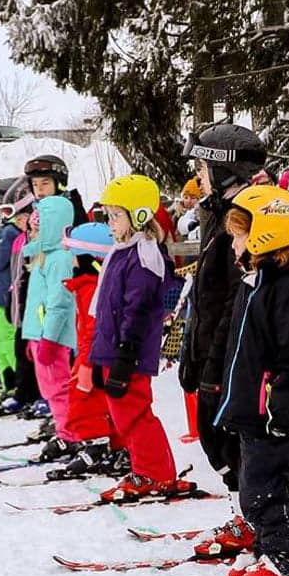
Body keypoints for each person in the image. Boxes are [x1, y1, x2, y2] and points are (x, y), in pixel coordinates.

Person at [208, 183, 289, 576]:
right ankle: (281, 549)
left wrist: (281, 405)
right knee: (256, 487)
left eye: (240, 235)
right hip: (254, 409)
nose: (234, 243)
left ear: (263, 233)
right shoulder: (257, 280)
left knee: (264, 490)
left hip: (275, 411)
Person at [179, 123, 270, 499]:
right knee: (217, 443)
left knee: (236, 445)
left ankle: (265, 525)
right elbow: (208, 296)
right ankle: (244, 516)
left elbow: (236, 300)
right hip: (213, 354)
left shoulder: (243, 219)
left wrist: (214, 365)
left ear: (223, 169)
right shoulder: (216, 215)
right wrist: (192, 354)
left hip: (234, 359)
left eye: (201, 169)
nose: (197, 178)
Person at [92, 173, 193, 502]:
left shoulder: (145, 258)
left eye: (116, 215)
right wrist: (100, 354)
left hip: (130, 351)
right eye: (108, 215)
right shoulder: (122, 252)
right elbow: (108, 308)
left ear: (137, 216)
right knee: (125, 414)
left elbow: (137, 311)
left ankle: (154, 474)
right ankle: (151, 469)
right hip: (113, 349)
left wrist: (124, 354)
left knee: (133, 413)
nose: (110, 222)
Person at [41, 221, 130, 479]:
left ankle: (96, 445)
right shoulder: (85, 285)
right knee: (97, 401)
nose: (70, 261)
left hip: (92, 355)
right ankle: (112, 446)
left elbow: (94, 328)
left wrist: (87, 364)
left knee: (83, 401)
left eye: (73, 255)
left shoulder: (91, 287)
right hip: (90, 353)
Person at [22, 192, 78, 428]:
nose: (33, 234)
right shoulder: (45, 256)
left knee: (58, 389)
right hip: (42, 335)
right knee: (49, 389)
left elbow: (59, 303)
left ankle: (71, 434)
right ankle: (63, 428)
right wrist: (34, 336)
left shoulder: (60, 259)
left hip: (53, 338)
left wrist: (49, 339)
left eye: (38, 227)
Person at [0, 198, 32, 408]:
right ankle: (8, 383)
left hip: (3, 296)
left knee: (6, 342)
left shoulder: (10, 233)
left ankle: (17, 384)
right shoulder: (10, 232)